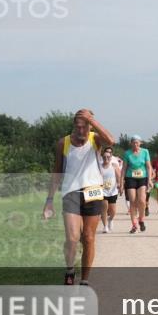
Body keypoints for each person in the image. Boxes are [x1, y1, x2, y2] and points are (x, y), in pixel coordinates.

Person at [42, 109, 115, 285]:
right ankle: (70, 270)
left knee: (88, 238)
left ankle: (85, 280)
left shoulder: (95, 139)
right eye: (78, 127)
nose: (81, 131)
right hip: (71, 192)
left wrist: (92, 121)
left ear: (90, 126)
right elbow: (57, 171)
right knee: (72, 238)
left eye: (85, 127)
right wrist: (49, 200)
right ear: (74, 126)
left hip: (93, 192)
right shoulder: (63, 143)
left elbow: (111, 141)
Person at [122, 135, 152, 234]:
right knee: (133, 201)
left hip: (142, 178)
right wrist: (121, 182)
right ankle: (134, 225)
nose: (135, 144)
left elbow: (148, 167)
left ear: (140, 143)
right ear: (131, 143)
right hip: (130, 178)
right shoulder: (127, 153)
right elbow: (124, 168)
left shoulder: (145, 152)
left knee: (142, 200)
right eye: (133, 142)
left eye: (137, 142)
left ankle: (141, 219)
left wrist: (149, 180)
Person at [98, 146, 122, 233]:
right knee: (104, 208)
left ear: (111, 157)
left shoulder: (114, 166)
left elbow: (119, 177)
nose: (106, 158)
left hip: (112, 191)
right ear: (102, 157)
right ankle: (105, 226)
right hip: (102, 191)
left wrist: (119, 185)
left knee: (113, 211)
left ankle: (110, 219)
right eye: (104, 157)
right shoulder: (99, 166)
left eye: (108, 157)